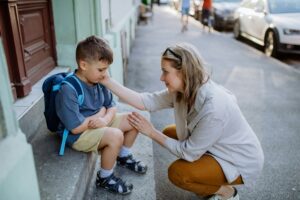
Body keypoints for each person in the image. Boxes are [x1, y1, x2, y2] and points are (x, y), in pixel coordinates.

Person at [99, 43, 264, 200]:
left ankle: (227, 192)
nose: (161, 77)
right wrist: (107, 81)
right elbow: (146, 101)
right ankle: (207, 174)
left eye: (165, 72)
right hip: (217, 147)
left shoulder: (214, 108)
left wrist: (150, 132)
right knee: (170, 133)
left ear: (184, 72)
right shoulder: (183, 89)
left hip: (238, 160)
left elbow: (188, 153)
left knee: (178, 173)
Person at [55, 35, 147, 195]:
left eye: (106, 69)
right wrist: (100, 114)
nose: (105, 74)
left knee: (135, 119)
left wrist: (104, 118)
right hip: (78, 134)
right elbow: (75, 128)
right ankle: (105, 177)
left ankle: (123, 156)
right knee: (115, 135)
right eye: (101, 69)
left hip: (98, 123)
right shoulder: (68, 90)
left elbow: (111, 107)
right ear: (83, 65)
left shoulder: (99, 80)